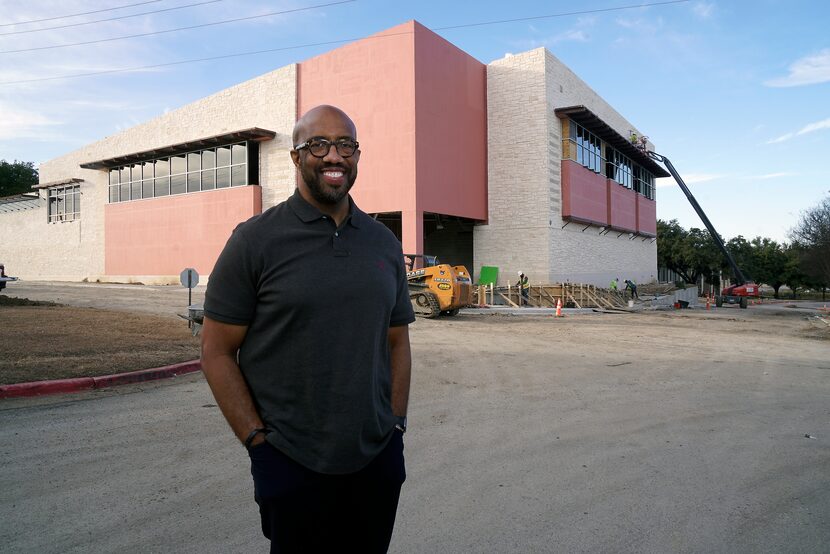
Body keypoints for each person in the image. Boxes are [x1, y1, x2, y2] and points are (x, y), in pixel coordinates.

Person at [201, 105, 415, 553]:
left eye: (346, 145)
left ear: (357, 155)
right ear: (296, 157)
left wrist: (395, 426)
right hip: (291, 463)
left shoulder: (383, 242)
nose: (334, 156)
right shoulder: (254, 240)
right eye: (318, 144)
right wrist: (258, 444)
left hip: (375, 461)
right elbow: (217, 352)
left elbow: (397, 341)